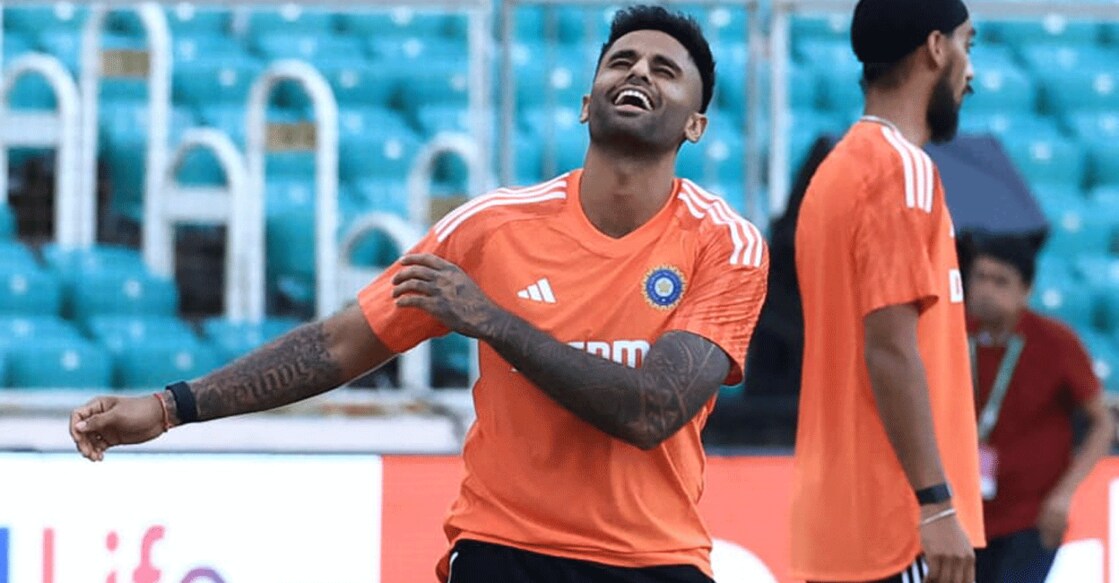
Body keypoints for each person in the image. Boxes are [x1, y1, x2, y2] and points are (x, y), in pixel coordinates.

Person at [69, 6, 770, 583]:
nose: (638, 72)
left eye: (664, 70)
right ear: (587, 104)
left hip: (655, 562)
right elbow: (340, 344)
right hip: (504, 551)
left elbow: (652, 409)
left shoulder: (726, 245)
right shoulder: (489, 227)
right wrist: (171, 406)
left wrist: (494, 322)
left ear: (695, 125)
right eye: (621, 61)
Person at [790, 1, 984, 582]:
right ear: (936, 48)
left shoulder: (833, 174)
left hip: (838, 525)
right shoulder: (902, 168)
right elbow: (890, 348)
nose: (971, 71)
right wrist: (937, 503)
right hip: (899, 528)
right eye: (968, 45)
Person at [965, 236, 1115, 583]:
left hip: (1030, 517)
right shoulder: (953, 334)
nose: (986, 290)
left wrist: (1064, 496)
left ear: (1026, 290)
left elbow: (1102, 423)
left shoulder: (1055, 341)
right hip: (964, 514)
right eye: (980, 277)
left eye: (1000, 281)